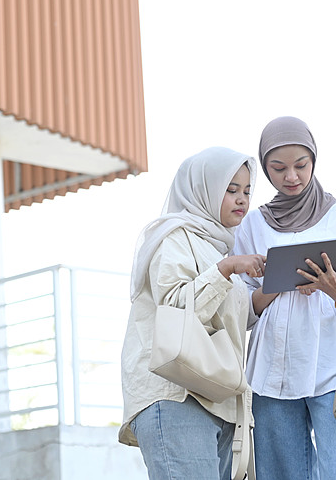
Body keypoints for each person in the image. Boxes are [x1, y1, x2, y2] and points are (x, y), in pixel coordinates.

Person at [233, 116, 336, 479]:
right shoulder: (253, 225)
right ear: (265, 169)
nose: (291, 177)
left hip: (334, 373)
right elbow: (238, 310)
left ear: (314, 161)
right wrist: (275, 283)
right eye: (278, 168)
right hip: (270, 376)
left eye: (301, 165)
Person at [119, 146, 267, 480]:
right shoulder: (174, 236)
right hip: (176, 394)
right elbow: (176, 308)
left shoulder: (217, 245)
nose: (242, 199)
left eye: (246, 191)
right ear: (203, 190)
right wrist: (227, 269)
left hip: (218, 397)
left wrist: (278, 286)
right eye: (230, 190)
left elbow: (231, 319)